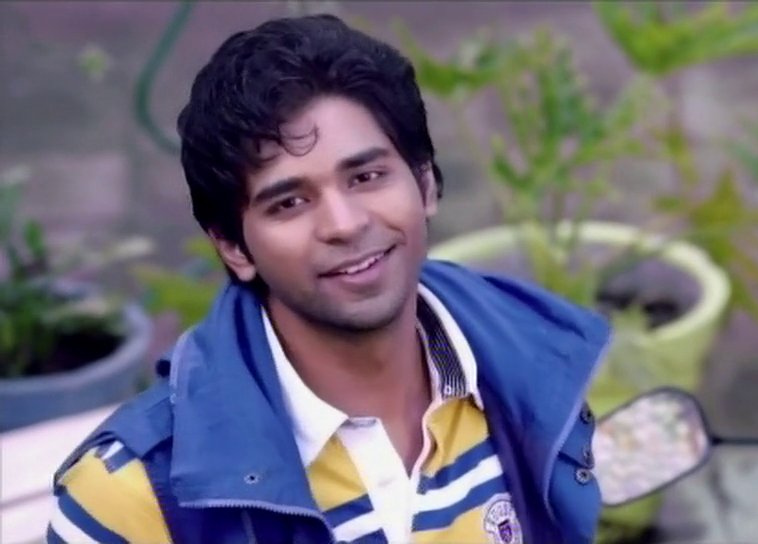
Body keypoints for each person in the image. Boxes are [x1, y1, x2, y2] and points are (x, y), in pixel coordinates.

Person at [47, 14, 608, 544]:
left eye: (366, 176)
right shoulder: (133, 494)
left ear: (425, 184)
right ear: (234, 247)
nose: (344, 224)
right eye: (289, 202)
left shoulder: (540, 370)